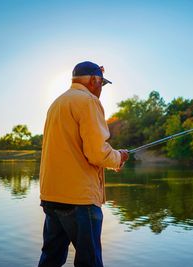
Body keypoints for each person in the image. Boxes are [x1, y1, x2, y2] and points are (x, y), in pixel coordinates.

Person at [38, 61, 129, 267]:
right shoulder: (88, 101)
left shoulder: (57, 103)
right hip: (79, 200)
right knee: (90, 262)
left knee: (50, 259)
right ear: (94, 80)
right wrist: (119, 157)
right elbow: (98, 154)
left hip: (51, 196)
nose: (101, 90)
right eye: (101, 84)